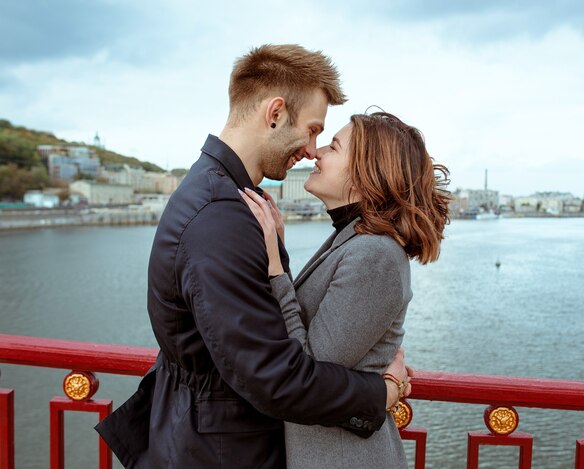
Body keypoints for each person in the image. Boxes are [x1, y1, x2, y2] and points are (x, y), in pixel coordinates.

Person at [95, 45, 411, 469]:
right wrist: (382, 392)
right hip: (223, 451)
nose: (312, 149)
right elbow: (276, 377)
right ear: (275, 113)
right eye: (314, 129)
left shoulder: (230, 198)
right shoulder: (219, 217)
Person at [241, 112, 451, 468]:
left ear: (367, 172)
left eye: (334, 146)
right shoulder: (352, 238)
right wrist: (279, 252)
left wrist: (275, 265)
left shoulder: (375, 253)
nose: (317, 152)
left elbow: (308, 372)